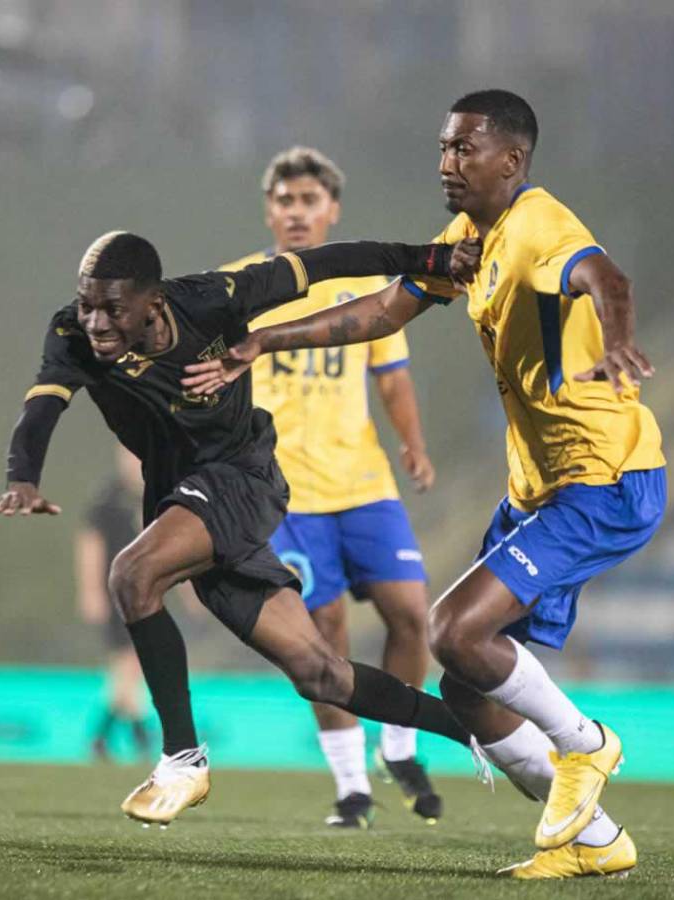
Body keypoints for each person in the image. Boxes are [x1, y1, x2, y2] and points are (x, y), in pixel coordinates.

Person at [183, 89, 665, 879]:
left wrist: (617, 342)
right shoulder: (470, 237)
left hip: (603, 479)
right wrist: (261, 341)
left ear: (510, 160)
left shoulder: (542, 225)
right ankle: (597, 839)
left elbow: (606, 277)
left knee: (450, 630)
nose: (447, 163)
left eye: (463, 149)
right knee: (471, 689)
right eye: (443, 147)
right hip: (539, 489)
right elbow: (377, 312)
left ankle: (587, 744)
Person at [0, 229, 484, 826]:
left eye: (112, 308)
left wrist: (429, 260)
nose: (94, 321)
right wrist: (23, 475)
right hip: (183, 501)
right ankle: (473, 729)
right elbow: (43, 404)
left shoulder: (213, 300)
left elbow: (327, 263)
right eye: (87, 302)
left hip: (242, 477)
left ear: (153, 302)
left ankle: (183, 757)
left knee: (132, 575)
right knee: (319, 672)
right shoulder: (72, 332)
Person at [222, 147, 441, 829]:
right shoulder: (237, 287)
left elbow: (392, 376)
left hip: (365, 482)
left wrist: (412, 442)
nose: (296, 212)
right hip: (284, 495)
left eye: (309, 201)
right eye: (285, 201)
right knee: (326, 635)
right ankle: (352, 788)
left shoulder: (367, 280)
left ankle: (400, 747)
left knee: (413, 617)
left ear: (332, 209)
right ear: (269, 209)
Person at [76, 444, 152, 761]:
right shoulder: (108, 497)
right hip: (115, 592)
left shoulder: (158, 493)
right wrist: (90, 590)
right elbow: (89, 544)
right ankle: (137, 734)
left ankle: (104, 737)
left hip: (146, 591)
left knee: (129, 668)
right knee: (129, 664)